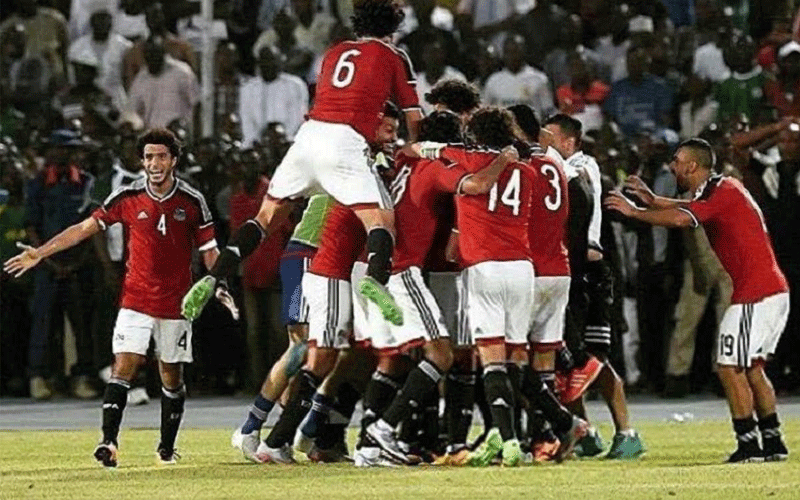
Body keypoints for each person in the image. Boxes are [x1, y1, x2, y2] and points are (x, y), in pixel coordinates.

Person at [181, 0, 423, 329]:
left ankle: (213, 277)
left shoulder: (335, 52)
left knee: (264, 219)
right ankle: (375, 281)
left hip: (307, 138)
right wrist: (414, 147)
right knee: (381, 221)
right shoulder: (394, 55)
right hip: (346, 142)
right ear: (392, 30)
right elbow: (413, 116)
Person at [5, 128, 220, 467]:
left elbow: (209, 249)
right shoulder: (126, 196)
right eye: (148, 157)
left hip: (176, 303)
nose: (154, 163)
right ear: (142, 161)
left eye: (161, 157)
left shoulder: (192, 200)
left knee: (170, 375)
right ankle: (108, 442)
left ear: (174, 160)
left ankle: (166, 446)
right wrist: (41, 252)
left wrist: (218, 282)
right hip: (135, 299)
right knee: (123, 366)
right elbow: (83, 229)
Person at [605, 138, 790, 463]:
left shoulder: (722, 191)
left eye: (677, 161)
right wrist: (654, 200)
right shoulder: (722, 188)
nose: (672, 166)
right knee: (751, 368)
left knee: (728, 366)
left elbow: (683, 218)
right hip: (770, 290)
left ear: (692, 165)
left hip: (756, 294)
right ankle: (773, 442)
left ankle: (748, 444)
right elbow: (691, 206)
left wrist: (636, 211)